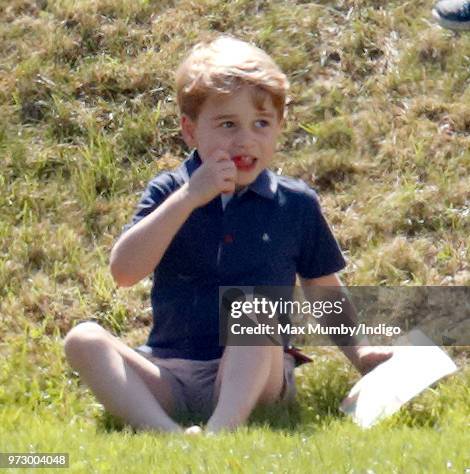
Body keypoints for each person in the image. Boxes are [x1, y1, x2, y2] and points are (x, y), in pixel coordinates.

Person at [64, 35, 392, 435]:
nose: (245, 139)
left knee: (254, 308)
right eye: (227, 125)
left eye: (261, 124)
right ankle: (167, 434)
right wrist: (188, 198)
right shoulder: (169, 192)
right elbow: (124, 272)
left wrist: (360, 354)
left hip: (258, 378)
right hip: (172, 371)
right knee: (83, 339)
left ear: (278, 128)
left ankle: (220, 433)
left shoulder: (295, 204)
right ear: (190, 130)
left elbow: (324, 289)